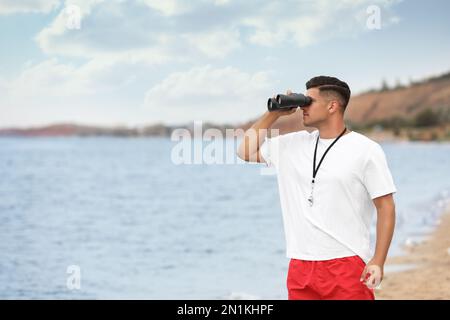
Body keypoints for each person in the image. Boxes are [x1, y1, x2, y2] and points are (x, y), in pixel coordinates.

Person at [237, 76, 397, 300]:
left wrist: (378, 261)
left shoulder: (366, 150)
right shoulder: (292, 145)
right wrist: (273, 113)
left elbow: (386, 207)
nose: (303, 106)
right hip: (300, 264)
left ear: (333, 106)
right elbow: (244, 151)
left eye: (309, 101)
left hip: (346, 262)